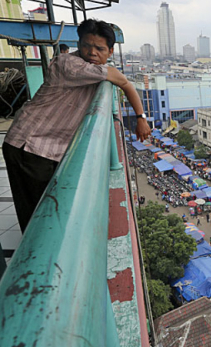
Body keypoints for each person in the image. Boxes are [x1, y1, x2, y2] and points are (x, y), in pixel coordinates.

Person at [3, 19, 150, 232]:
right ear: (78, 44)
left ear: (109, 51)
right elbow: (124, 82)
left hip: (49, 147)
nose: (91, 52)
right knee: (37, 215)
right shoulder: (69, 65)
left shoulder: (93, 68)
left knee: (50, 207)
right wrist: (141, 117)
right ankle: (35, 260)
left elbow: (124, 83)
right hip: (28, 144)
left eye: (99, 48)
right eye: (86, 45)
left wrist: (141, 118)